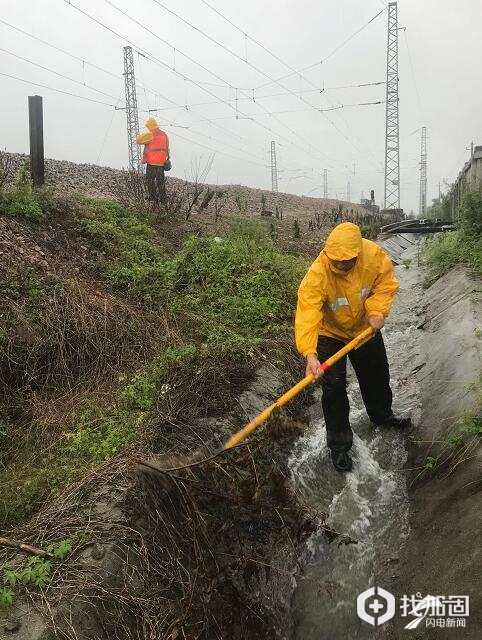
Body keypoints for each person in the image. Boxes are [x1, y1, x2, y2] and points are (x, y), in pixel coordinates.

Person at [295, 222, 410, 472]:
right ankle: (339, 447)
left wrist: (377, 311)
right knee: (333, 388)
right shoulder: (317, 274)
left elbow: (385, 285)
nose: (340, 266)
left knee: (376, 374)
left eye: (347, 261)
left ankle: (382, 416)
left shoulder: (374, 256)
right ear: (327, 253)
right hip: (330, 333)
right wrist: (310, 354)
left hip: (364, 329)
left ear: (358, 254)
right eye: (335, 261)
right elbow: (307, 313)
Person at [136, 117, 170, 201]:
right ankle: (163, 198)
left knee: (149, 181)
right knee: (160, 182)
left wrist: (143, 135)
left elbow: (138, 141)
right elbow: (167, 147)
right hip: (161, 163)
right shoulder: (164, 135)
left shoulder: (150, 135)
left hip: (151, 163)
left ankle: (153, 197)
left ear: (150, 126)